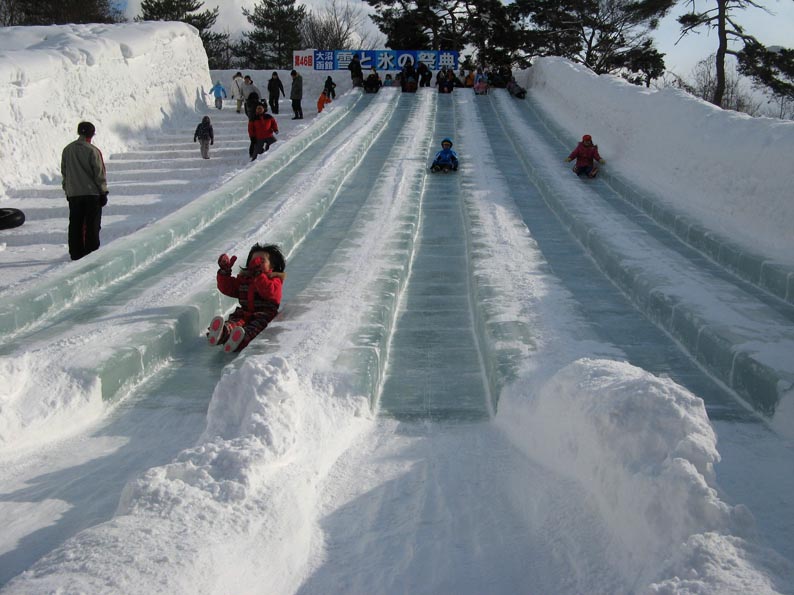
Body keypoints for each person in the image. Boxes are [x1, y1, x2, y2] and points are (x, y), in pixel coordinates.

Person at [207, 243, 287, 353]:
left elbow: (269, 292)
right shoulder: (244, 279)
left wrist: (259, 275)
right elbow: (228, 288)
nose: (256, 263)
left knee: (253, 330)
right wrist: (224, 272)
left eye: (261, 261)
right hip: (243, 313)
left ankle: (240, 341)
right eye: (253, 260)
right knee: (233, 323)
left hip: (263, 316)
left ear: (272, 267)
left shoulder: (274, 281)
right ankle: (221, 333)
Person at [61, 121, 109, 260]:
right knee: (92, 225)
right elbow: (99, 173)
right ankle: (91, 253)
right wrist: (103, 192)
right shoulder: (93, 150)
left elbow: (64, 172)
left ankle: (75, 253)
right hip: (91, 194)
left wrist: (67, 189)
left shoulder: (67, 149)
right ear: (92, 134)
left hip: (74, 193)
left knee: (75, 224)